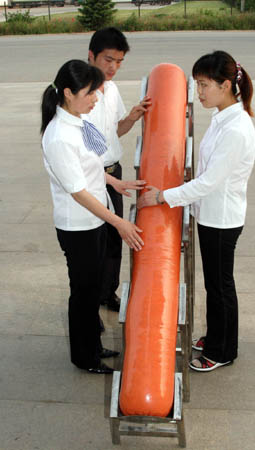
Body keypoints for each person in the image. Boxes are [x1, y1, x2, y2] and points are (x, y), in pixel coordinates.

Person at [137, 51, 255, 372]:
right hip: (212, 213)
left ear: (226, 85)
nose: (199, 92)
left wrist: (162, 196)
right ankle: (217, 335)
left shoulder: (236, 129)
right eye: (197, 84)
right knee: (216, 284)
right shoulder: (224, 118)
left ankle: (222, 350)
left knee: (220, 286)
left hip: (222, 217)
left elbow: (208, 182)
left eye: (204, 85)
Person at [41, 60, 145, 374]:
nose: (95, 99)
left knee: (92, 287)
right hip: (79, 226)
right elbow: (78, 191)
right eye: (89, 93)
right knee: (83, 293)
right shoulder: (60, 136)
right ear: (69, 93)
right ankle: (84, 357)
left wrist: (115, 182)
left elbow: (90, 167)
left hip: (95, 220)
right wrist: (120, 222)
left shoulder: (79, 122)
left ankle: (94, 347)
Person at [85, 27, 151, 312]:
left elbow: (115, 132)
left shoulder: (111, 90)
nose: (113, 67)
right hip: (90, 176)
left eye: (119, 61)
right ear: (91, 56)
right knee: (92, 242)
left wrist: (133, 117)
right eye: (108, 59)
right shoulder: (79, 92)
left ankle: (106, 293)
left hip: (115, 171)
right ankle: (89, 300)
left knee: (114, 238)